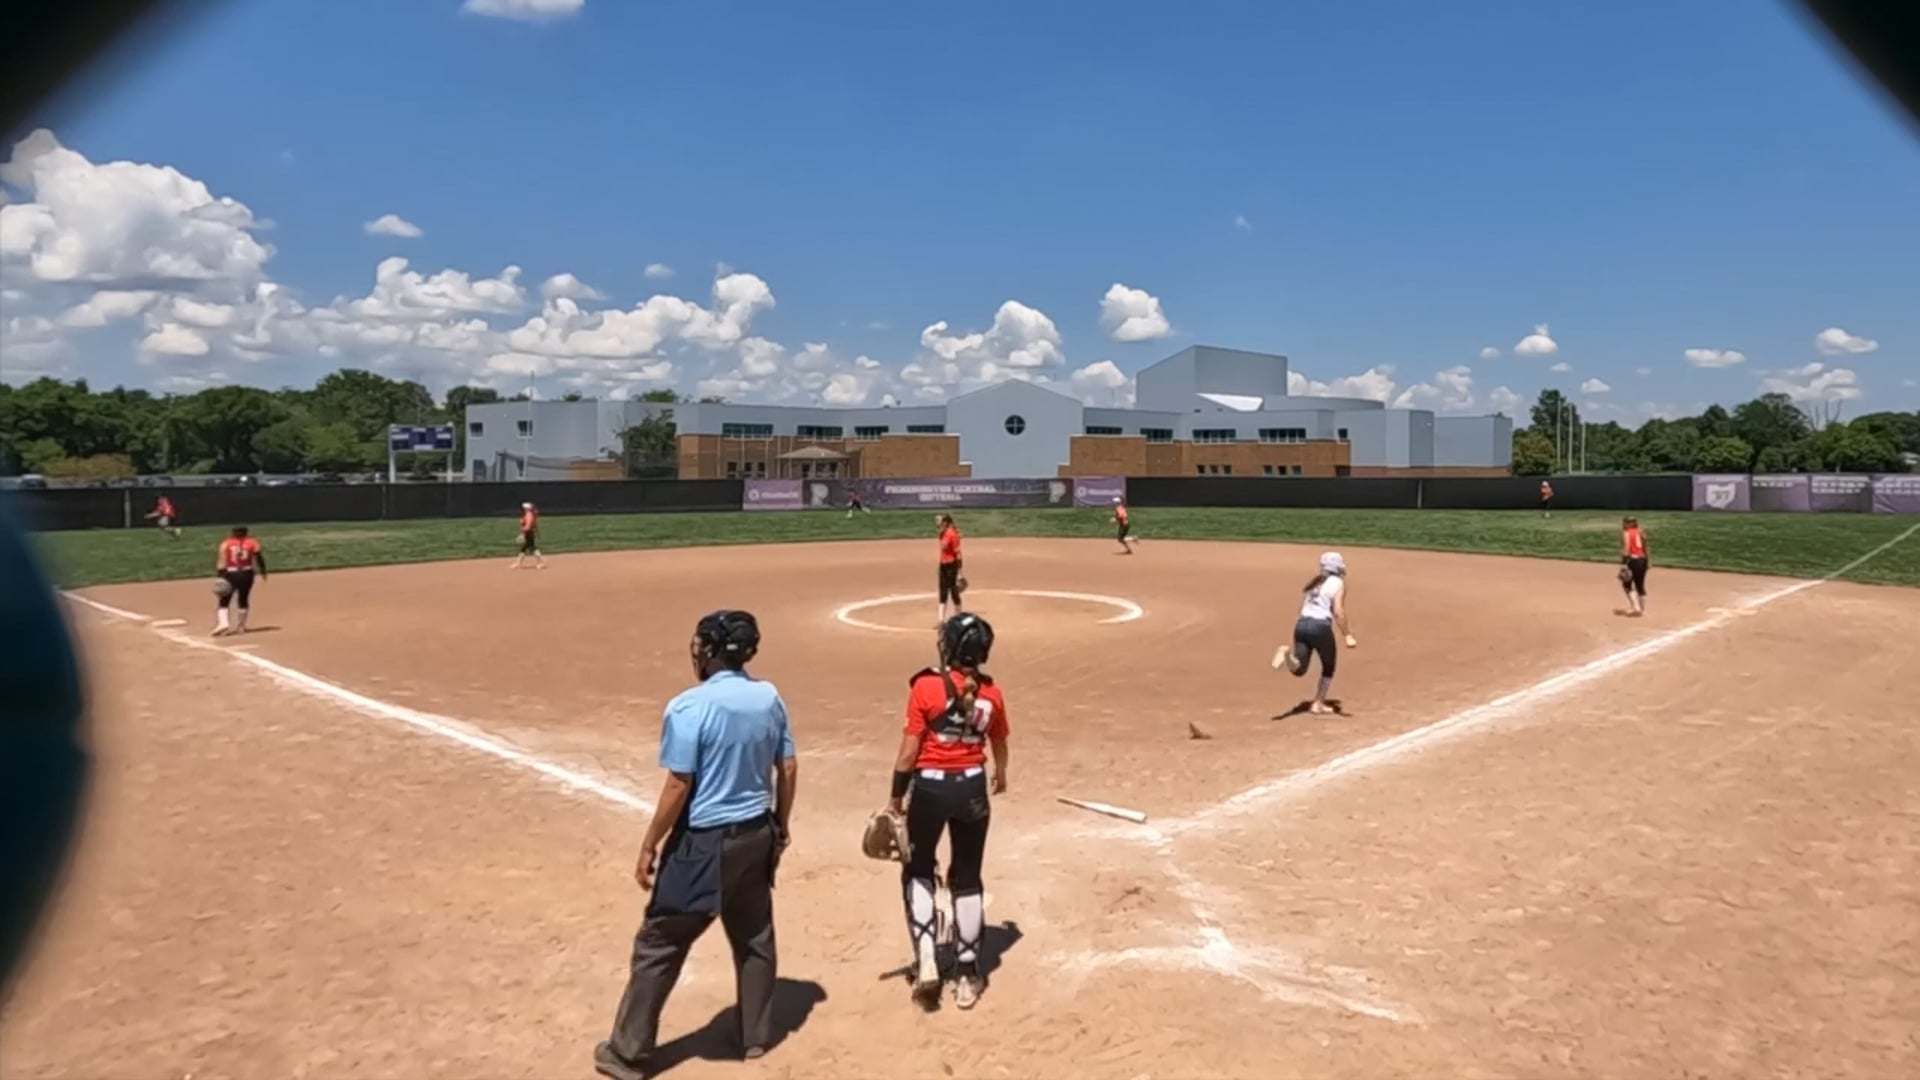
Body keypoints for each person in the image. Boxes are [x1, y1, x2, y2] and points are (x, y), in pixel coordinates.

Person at [597, 611, 799, 1080]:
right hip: (757, 832)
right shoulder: (768, 697)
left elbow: (678, 784)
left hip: (705, 844)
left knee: (660, 942)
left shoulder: (689, 707)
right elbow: (787, 768)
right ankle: (754, 1036)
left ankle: (627, 1053)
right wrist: (781, 826)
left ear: (709, 652)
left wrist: (650, 843)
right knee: (754, 935)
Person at [887, 612, 1009, 1011]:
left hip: (930, 790)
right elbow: (1000, 743)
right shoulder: (992, 694)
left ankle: (926, 957)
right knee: (968, 876)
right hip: (972, 788)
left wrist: (895, 800)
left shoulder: (925, 686)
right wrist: (1001, 773)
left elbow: (909, 754)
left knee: (919, 868)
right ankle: (968, 974)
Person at [1272, 552, 1358, 715]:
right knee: (1328, 665)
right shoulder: (1338, 583)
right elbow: (1338, 611)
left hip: (1302, 624)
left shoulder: (1315, 582)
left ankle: (1286, 655)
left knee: (1299, 669)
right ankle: (1318, 703)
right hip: (1320, 627)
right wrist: (1347, 635)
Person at [212, 526, 266, 637]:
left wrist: (220, 576)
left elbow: (221, 562)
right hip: (247, 573)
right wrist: (263, 571)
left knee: (224, 600)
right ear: (246, 533)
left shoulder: (226, 544)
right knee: (243, 598)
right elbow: (258, 558)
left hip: (231, 573)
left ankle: (224, 623)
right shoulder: (252, 543)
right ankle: (241, 626)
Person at [935, 513, 965, 625]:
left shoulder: (952, 534)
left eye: (941, 522)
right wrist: (940, 566)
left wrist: (960, 572)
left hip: (952, 566)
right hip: (943, 566)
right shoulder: (942, 534)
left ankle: (959, 618)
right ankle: (941, 621)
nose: (939, 524)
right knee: (943, 592)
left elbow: (958, 554)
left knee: (954, 593)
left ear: (946, 523)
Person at [1620, 516, 1650, 617]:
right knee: (1640, 585)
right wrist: (1648, 561)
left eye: (1626, 522)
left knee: (1626, 584)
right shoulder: (1641, 532)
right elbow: (1646, 547)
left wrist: (1623, 563)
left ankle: (1635, 607)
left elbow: (1626, 548)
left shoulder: (1626, 533)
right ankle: (1642, 610)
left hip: (1632, 561)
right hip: (1642, 560)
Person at [512, 501, 545, 570]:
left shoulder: (529, 515)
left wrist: (522, 533)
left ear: (527, 508)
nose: (523, 509)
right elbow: (534, 525)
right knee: (525, 548)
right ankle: (518, 563)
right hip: (528, 533)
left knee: (532, 548)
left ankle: (540, 563)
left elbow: (528, 527)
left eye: (524, 508)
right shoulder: (529, 514)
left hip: (528, 533)